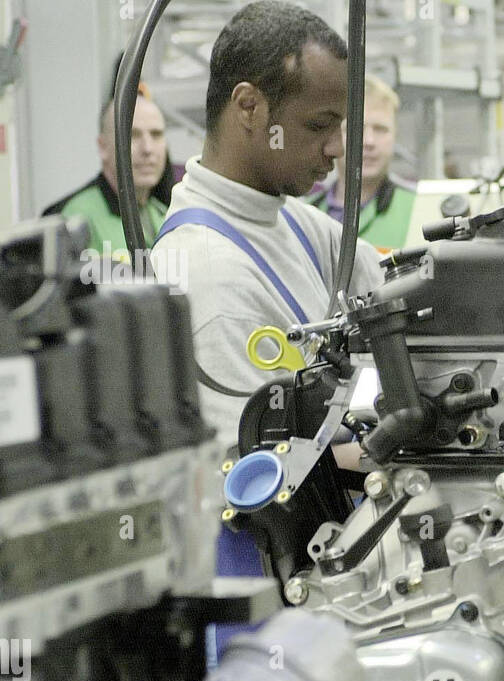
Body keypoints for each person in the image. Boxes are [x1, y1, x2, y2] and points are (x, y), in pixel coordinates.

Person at [151, 0, 384, 447]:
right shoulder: (209, 277)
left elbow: (395, 296)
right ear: (249, 107)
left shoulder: (293, 220)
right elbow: (262, 477)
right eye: (319, 125)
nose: (337, 148)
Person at [42, 91, 169, 262]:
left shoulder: (164, 214)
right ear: (103, 147)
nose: (148, 148)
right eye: (132, 135)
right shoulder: (73, 218)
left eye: (156, 134)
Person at [306, 74, 415, 252]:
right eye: (356, 128)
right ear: (333, 134)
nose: (369, 141)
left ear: (395, 135)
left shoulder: (419, 208)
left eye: (381, 129)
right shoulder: (304, 213)